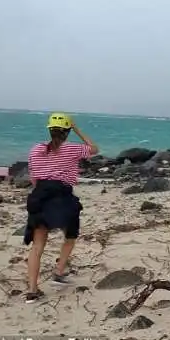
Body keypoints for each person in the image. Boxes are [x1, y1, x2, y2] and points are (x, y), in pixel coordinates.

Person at [24, 113, 98, 304]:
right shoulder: (72, 149)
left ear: (50, 130)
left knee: (37, 245)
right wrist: (77, 129)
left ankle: (32, 290)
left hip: (40, 195)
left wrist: (40, 193)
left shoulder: (35, 149)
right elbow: (94, 149)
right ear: (66, 132)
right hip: (62, 196)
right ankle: (58, 271)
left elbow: (33, 177)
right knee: (70, 236)